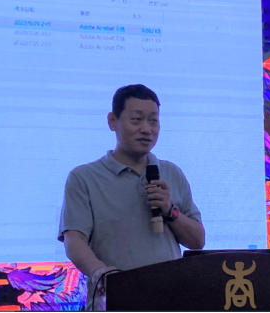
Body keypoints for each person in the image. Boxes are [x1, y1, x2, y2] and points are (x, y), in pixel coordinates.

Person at [58, 84, 205, 310]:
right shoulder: (84, 178)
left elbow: (197, 241)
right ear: (112, 121)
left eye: (153, 121)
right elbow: (74, 240)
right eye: (136, 120)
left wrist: (170, 210)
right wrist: (101, 273)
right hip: (115, 300)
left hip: (169, 301)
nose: (146, 129)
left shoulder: (171, 172)